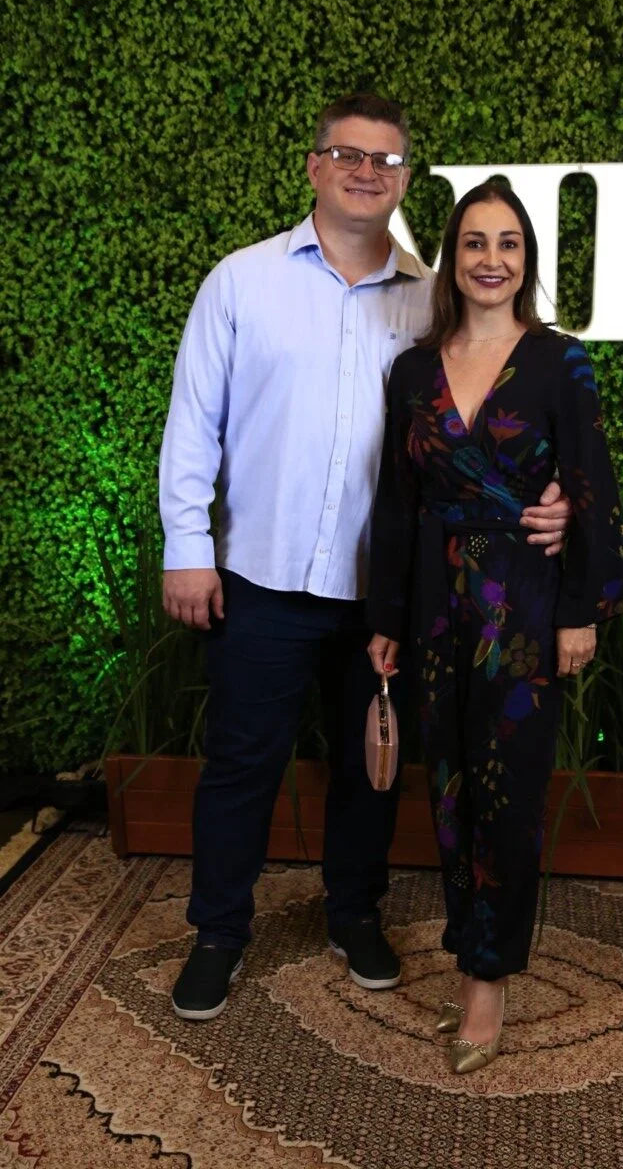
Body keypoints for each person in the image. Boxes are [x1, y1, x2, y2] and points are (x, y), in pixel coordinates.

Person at [159, 94, 573, 1023]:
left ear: (405, 180)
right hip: (260, 576)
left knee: (371, 766)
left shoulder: (433, 299)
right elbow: (193, 423)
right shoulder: (242, 281)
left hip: (390, 595)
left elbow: (485, 426)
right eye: (347, 154)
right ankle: (219, 931)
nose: (365, 172)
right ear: (315, 166)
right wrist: (187, 549)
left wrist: (553, 500)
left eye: (385, 161)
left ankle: (354, 913)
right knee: (241, 763)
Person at [367, 179, 623, 1074]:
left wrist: (579, 612)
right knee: (448, 785)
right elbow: (396, 503)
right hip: (434, 605)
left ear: (528, 258)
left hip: (523, 603)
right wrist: (387, 618)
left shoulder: (560, 362)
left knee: (509, 794)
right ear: (453, 257)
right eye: (475, 242)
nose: (492, 259)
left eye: (509, 243)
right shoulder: (413, 372)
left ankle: (487, 978)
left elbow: (590, 486)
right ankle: (468, 941)